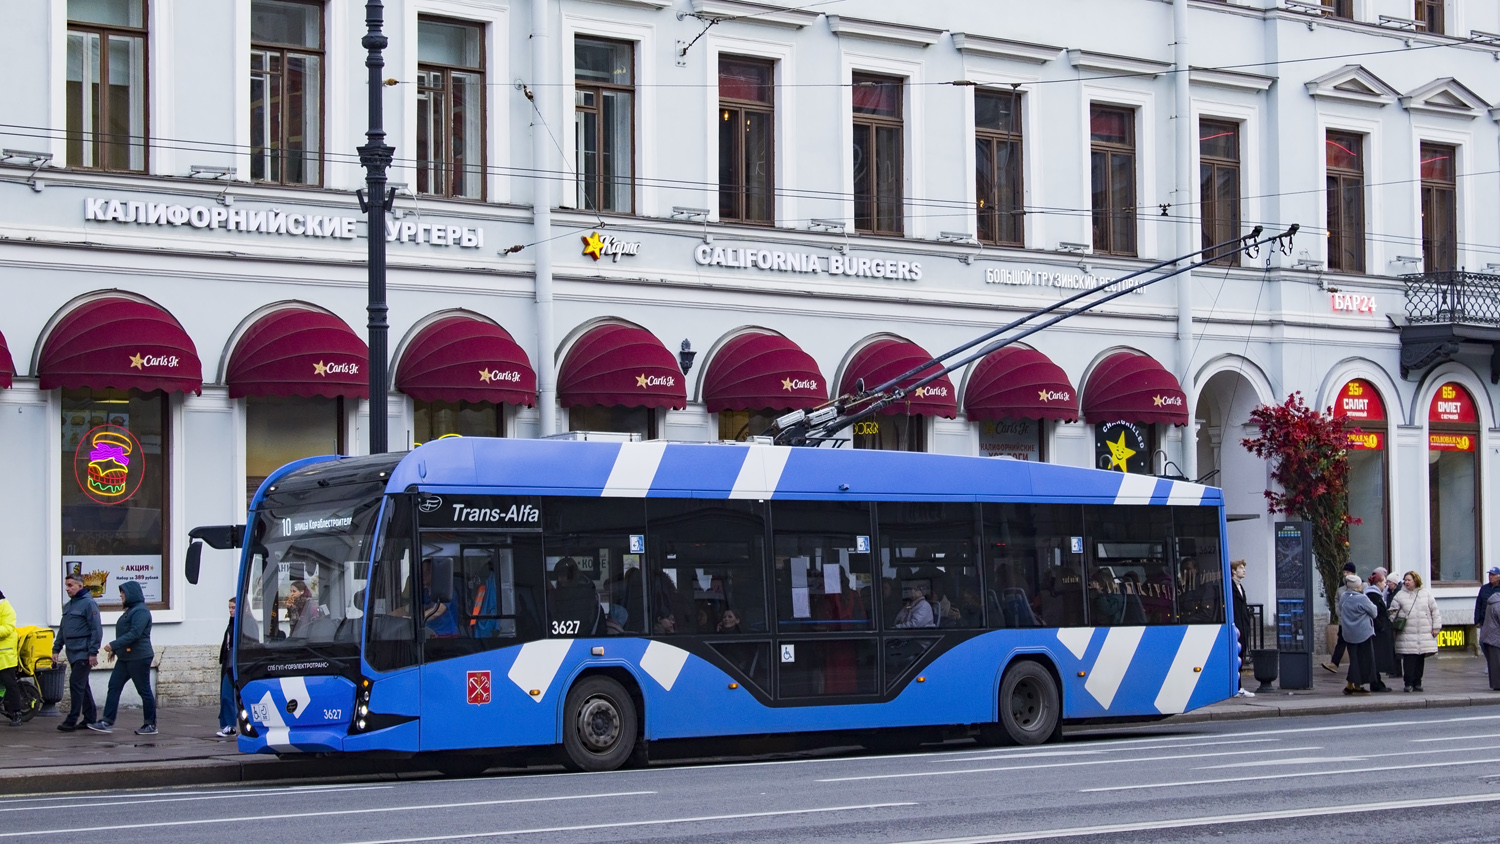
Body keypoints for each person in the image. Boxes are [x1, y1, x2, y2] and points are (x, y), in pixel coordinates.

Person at [89, 581, 156, 735]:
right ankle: (106, 721)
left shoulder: (141, 611)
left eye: (123, 592)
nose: (120, 595)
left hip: (139, 657)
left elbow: (134, 634)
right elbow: (126, 632)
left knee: (144, 690)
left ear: (131, 593)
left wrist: (113, 645)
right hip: (126, 657)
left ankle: (150, 724)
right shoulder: (131, 610)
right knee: (114, 686)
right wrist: (116, 649)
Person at [52, 573, 102, 731]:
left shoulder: (89, 604)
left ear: (80, 586)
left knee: (75, 684)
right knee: (82, 685)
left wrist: (93, 652)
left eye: (70, 585)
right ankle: (90, 719)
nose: (67, 589)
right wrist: (56, 649)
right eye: (66, 585)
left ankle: (71, 720)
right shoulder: (69, 605)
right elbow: (63, 629)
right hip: (72, 652)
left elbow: (96, 629)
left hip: (83, 652)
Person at [1390, 570, 1441, 693]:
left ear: (1415, 580)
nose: (1406, 582)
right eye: (1405, 580)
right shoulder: (1399, 595)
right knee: (1409, 659)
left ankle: (1417, 683)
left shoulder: (1426, 594)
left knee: (1420, 659)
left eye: (1409, 580)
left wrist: (1436, 627)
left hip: (1424, 632)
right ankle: (1408, 683)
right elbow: (1392, 612)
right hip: (1406, 633)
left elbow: (1435, 611)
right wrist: (1391, 626)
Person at [1337, 574, 1377, 695]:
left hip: (1349, 634)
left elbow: (1341, 609)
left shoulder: (1344, 596)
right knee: (1363, 661)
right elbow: (1374, 612)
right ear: (1357, 586)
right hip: (1363, 634)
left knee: (1354, 660)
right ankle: (1357, 686)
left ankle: (1350, 685)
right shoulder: (1362, 598)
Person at [1323, 562, 1359, 673]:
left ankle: (1355, 665)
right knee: (1341, 641)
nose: (1345, 574)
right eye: (1344, 572)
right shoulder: (1341, 588)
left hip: (1356, 622)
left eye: (1348, 572)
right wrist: (1339, 613)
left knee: (1354, 644)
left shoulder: (1360, 585)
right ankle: (1334, 664)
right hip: (1343, 621)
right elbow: (1336, 601)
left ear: (1353, 573)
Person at [1363, 569, 1397, 687]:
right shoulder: (1373, 595)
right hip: (1378, 633)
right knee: (1378, 657)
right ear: (1378, 583)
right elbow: (1374, 613)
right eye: (1384, 582)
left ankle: (1377, 681)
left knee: (1378, 657)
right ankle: (1376, 683)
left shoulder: (1376, 594)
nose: (1385, 585)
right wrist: (1381, 626)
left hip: (1379, 630)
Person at [1230, 561, 1254, 698]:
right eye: (1240, 568)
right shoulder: (1231, 587)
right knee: (1236, 658)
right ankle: (1236, 687)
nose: (1244, 570)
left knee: (1241, 657)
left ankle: (1239, 687)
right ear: (1233, 571)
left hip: (1243, 627)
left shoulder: (1240, 586)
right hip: (1237, 627)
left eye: (1244, 568)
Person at [216, 597, 237, 738]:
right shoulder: (232, 623)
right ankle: (226, 725)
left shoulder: (242, 624)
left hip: (233, 664)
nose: (230, 610)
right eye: (229, 607)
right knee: (225, 694)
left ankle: (230, 725)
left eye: (233, 608)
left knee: (227, 695)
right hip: (227, 662)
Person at [0, 588, 20, 727]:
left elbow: (7, 629)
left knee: (10, 684)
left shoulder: (5, 608)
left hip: (5, 655)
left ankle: (17, 713)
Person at [1477, 566, 1500, 682]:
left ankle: (1494, 664)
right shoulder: (1484, 588)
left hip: (1496, 622)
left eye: (1493, 575)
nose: (1491, 577)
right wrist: (1477, 619)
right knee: (1483, 643)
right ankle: (1490, 662)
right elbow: (1479, 604)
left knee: (1495, 645)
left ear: (1499, 576)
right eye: (1490, 575)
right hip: (1485, 621)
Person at [1480, 589, 1500, 692]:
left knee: (1494, 663)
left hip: (1489, 636)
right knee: (1497, 662)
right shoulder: (1498, 604)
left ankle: (1496, 684)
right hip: (1495, 637)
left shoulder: (1493, 602)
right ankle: (1497, 685)